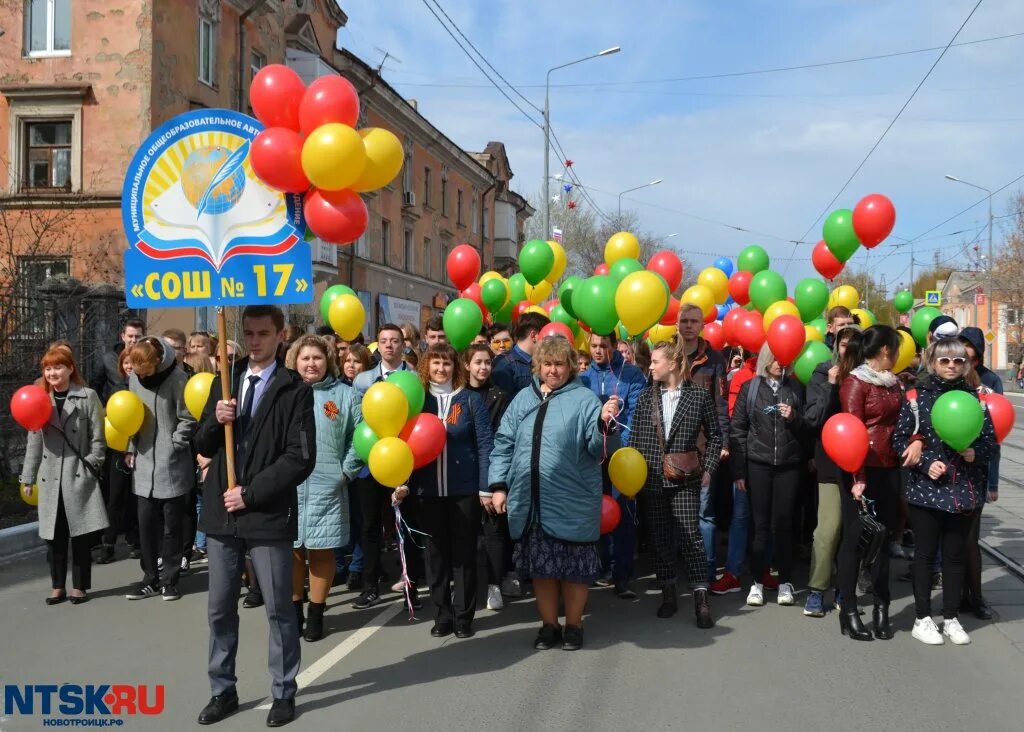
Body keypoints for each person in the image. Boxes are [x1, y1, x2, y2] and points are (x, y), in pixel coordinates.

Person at [193, 305, 316, 727]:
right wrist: (216, 418)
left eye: (263, 333)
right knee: (219, 608)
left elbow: (300, 458)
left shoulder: (294, 388)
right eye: (248, 333)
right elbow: (203, 443)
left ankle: (283, 691)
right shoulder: (223, 381)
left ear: (281, 336)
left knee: (280, 608)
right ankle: (222, 689)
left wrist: (251, 493)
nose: (254, 341)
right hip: (221, 515)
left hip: (265, 513)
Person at [488, 336, 619, 651]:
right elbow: (503, 442)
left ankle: (573, 626)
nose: (553, 370)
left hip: (572, 501)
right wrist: (498, 485)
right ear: (538, 365)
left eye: (559, 364)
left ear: (571, 366)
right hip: (530, 503)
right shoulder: (522, 399)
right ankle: (549, 627)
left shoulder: (586, 400)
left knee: (574, 571)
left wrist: (605, 425)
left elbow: (597, 449)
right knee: (543, 571)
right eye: (547, 364)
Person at [893, 338, 997, 646]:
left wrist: (974, 453)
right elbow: (898, 441)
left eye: (958, 361)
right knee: (925, 555)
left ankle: (950, 617)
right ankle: (922, 618)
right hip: (926, 490)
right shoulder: (915, 396)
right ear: (932, 362)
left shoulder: (976, 399)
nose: (951, 366)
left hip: (963, 490)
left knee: (954, 557)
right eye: (944, 361)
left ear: (966, 365)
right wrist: (925, 462)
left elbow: (990, 442)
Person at [401, 344, 494, 638]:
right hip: (427, 492)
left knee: (463, 555)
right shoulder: (418, 401)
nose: (442, 369)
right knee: (435, 555)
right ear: (427, 366)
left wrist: (485, 487)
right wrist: (402, 481)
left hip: (463, 490)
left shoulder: (469, 400)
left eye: (447, 363)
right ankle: (442, 615)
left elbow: (485, 445)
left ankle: (464, 617)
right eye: (436, 363)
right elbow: (403, 444)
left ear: (457, 367)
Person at [628, 340, 722, 626]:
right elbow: (636, 440)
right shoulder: (646, 397)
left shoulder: (698, 396)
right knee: (660, 538)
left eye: (656, 362)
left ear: (673, 363)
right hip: (653, 478)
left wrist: (708, 467)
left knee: (691, 537)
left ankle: (700, 598)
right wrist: (633, 476)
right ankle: (668, 592)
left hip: (685, 478)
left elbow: (716, 436)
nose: (651, 366)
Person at [285, 335, 361, 642]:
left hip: (328, 484)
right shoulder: (284, 393)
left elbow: (360, 435)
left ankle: (316, 612)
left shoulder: (344, 395)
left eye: (317, 358)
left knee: (321, 549)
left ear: (327, 361)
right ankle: (293, 612)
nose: (311, 363)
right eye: (305, 358)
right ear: (295, 361)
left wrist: (346, 472)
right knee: (291, 550)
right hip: (288, 484)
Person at [20, 347, 108, 605]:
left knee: (79, 534)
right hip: (50, 477)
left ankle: (79, 586)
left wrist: (93, 462)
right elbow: (34, 442)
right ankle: (57, 585)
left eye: (58, 367)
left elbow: (98, 437)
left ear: (71, 368)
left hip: (77, 474)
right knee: (54, 536)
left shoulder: (87, 396)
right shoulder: (39, 400)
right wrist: (28, 477)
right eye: (48, 368)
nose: (53, 373)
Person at [834, 325, 904, 642]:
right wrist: (857, 476)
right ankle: (848, 609)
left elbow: (905, 423)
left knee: (884, 540)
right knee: (855, 541)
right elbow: (851, 432)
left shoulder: (895, 384)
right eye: (897, 349)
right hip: (860, 472)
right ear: (886, 351)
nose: (901, 355)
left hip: (889, 468)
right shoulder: (855, 383)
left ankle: (881, 607)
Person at [350, 323, 423, 610]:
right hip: (371, 460)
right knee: (369, 526)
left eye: (395, 341)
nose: (389, 345)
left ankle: (412, 586)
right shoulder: (364, 380)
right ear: (377, 345)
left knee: (406, 525)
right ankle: (371, 586)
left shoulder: (414, 379)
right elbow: (357, 420)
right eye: (384, 341)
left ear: (404, 345)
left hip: (402, 460)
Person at [730, 343, 806, 608]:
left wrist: (794, 416)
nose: (779, 361)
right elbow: (738, 429)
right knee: (759, 527)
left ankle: (785, 581)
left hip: (788, 465)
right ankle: (757, 583)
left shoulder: (796, 387)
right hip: (758, 464)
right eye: (774, 356)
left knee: (784, 526)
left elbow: (808, 427)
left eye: (783, 356)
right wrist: (739, 470)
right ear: (765, 358)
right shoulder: (750, 388)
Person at [122, 337, 197, 602]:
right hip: (143, 461)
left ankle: (170, 580)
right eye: (136, 372)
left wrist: (176, 443)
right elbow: (130, 414)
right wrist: (130, 448)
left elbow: (188, 416)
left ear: (157, 362)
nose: (140, 376)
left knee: (172, 527)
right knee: (146, 524)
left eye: (145, 371)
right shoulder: (134, 378)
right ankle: (150, 578)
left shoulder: (177, 378)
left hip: (172, 462)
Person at [581, 331, 646, 598]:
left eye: (604, 346)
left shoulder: (631, 375)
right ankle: (597, 568)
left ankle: (623, 575)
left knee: (623, 515)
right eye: (594, 346)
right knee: (593, 513)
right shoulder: (582, 377)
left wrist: (618, 441)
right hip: (591, 456)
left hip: (622, 456)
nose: (598, 351)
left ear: (613, 345)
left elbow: (636, 413)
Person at [802, 324, 858, 616]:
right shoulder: (823, 373)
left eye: (854, 343)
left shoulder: (867, 377)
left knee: (854, 531)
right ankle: (816, 589)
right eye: (843, 343)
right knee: (828, 528)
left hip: (863, 463)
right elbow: (813, 418)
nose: (848, 348)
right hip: (830, 461)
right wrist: (832, 386)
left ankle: (846, 589)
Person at [676, 303, 729, 585]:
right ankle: (673, 574)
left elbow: (721, 405)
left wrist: (723, 442)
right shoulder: (668, 355)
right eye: (684, 320)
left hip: (704, 447)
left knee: (704, 514)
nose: (688, 325)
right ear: (677, 324)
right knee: (674, 513)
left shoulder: (715, 360)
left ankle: (706, 574)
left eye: (693, 321)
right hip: (672, 449)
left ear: (701, 325)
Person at [463, 343, 515, 608]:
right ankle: (465, 586)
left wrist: (495, 480)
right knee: (466, 532)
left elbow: (502, 438)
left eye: (487, 363)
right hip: (462, 472)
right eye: (478, 362)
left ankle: (495, 584)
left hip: (492, 468)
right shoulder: (457, 395)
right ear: (467, 365)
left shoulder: (500, 396)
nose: (483, 368)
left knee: (494, 530)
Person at [957, 327, 1001, 620]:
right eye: (962, 356)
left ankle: (975, 596)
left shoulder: (991, 381)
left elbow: (995, 435)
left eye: (971, 358)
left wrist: (994, 481)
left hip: (976, 468)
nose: (964, 364)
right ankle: (954, 596)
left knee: (970, 538)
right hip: (945, 469)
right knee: (949, 539)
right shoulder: (945, 377)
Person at [710, 348, 759, 595]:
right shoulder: (742, 377)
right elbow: (732, 417)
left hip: (773, 459)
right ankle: (733, 572)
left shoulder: (786, 378)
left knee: (768, 519)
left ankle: (763, 573)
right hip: (745, 455)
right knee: (740, 517)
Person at [96, 349, 140, 564]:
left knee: (136, 498)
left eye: (133, 362)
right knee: (114, 498)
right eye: (126, 363)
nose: (129, 366)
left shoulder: (145, 389)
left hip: (141, 450)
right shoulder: (116, 391)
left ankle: (136, 541)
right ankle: (108, 544)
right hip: (117, 450)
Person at [335, 342, 371, 589]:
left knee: (360, 519)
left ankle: (357, 567)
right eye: (347, 360)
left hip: (362, 464)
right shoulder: (333, 389)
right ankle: (338, 564)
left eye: (356, 361)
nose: (351, 365)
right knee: (337, 517)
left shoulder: (370, 391)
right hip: (335, 462)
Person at [491, 312, 550, 397]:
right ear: (533, 336)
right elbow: (503, 404)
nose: (548, 341)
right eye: (546, 335)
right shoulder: (503, 364)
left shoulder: (541, 362)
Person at [91, 318, 145, 402]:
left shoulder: (148, 359)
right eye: (130, 336)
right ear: (123, 336)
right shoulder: (108, 359)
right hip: (115, 410)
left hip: (143, 410)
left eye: (137, 336)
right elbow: (95, 387)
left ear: (143, 337)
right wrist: (103, 407)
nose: (134, 340)